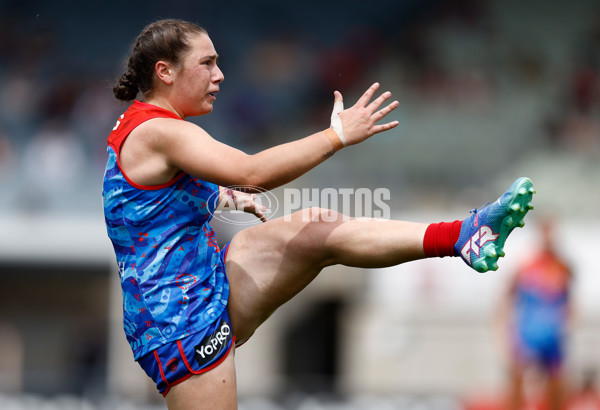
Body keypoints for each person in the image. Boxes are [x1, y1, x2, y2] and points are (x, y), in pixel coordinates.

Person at [102, 19, 535, 409]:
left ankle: (463, 235)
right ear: (165, 71)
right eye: (207, 62)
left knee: (317, 227)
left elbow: (148, 204)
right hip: (179, 322)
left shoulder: (148, 128)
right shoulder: (161, 131)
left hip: (203, 278)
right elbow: (252, 172)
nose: (219, 75)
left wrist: (226, 199)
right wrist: (337, 135)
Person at [497, 217, 573, 410]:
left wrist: (568, 325)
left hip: (553, 335)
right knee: (517, 382)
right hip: (527, 333)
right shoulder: (525, 267)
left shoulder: (563, 268)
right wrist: (503, 329)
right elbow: (507, 297)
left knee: (557, 386)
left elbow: (569, 301)